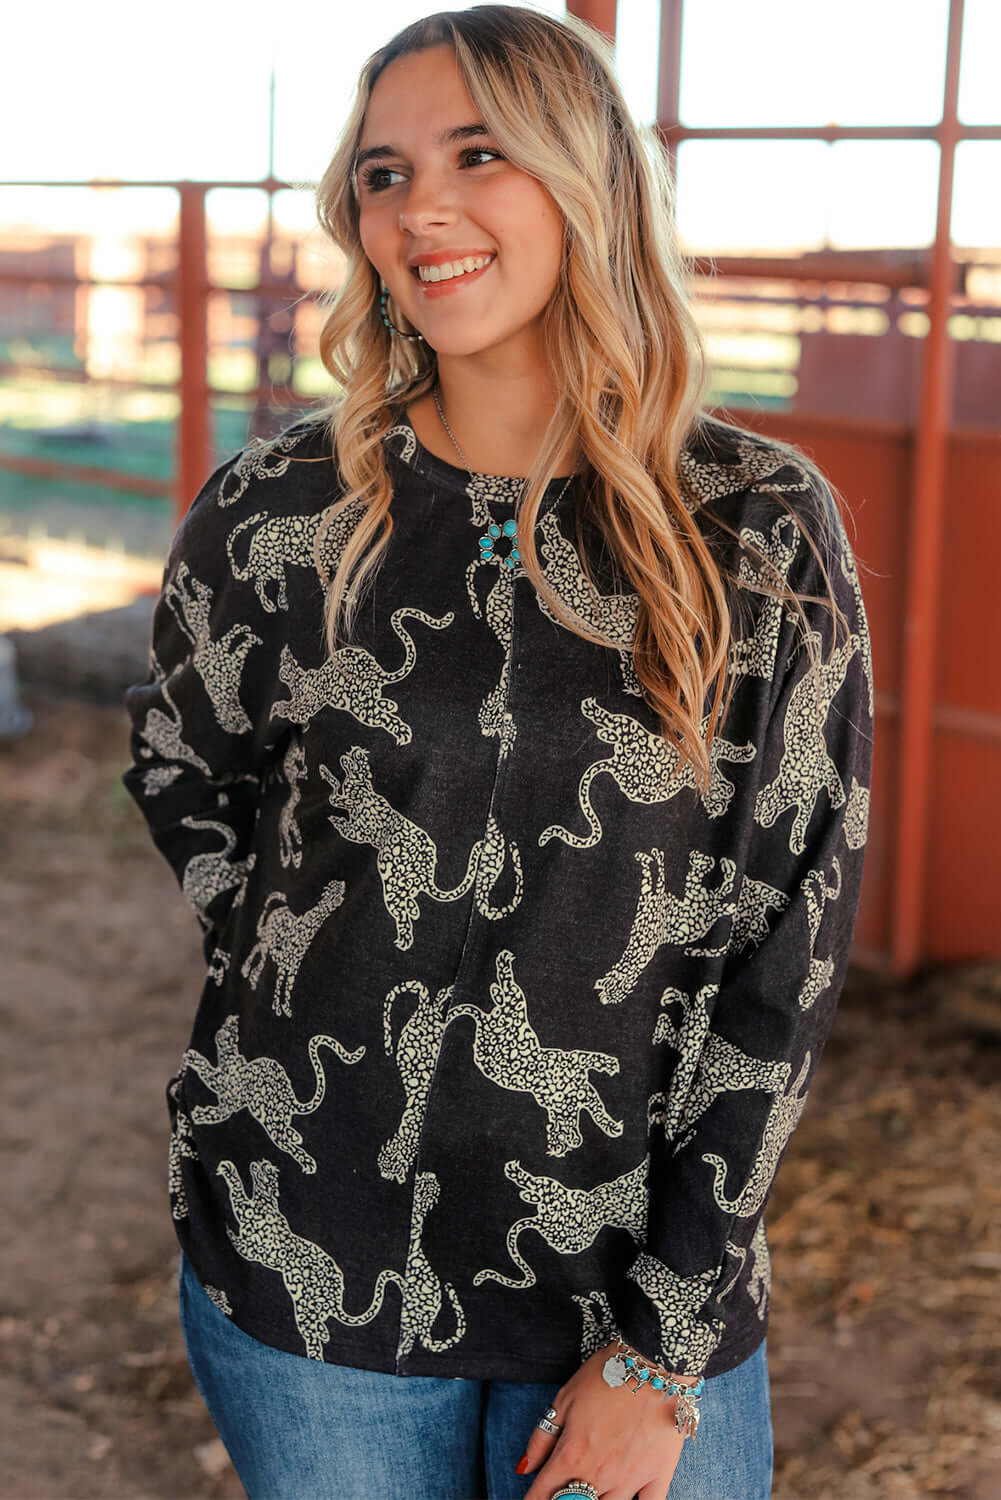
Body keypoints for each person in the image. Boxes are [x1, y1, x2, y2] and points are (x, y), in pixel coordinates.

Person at [121, 6, 874, 1498]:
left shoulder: (752, 524)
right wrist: (331, 967)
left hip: (620, 1286)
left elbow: (785, 943)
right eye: (384, 173)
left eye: (480, 153)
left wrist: (663, 1344)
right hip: (305, 1259)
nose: (423, 210)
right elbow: (182, 769)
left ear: (584, 176)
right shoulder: (280, 509)